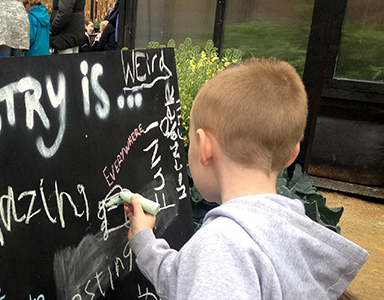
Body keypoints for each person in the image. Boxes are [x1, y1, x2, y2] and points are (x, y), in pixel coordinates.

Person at [124, 58, 369, 300]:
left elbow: (214, 270)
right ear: (292, 155)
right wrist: (145, 242)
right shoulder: (288, 228)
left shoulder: (222, 246)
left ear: (205, 147)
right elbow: (189, 277)